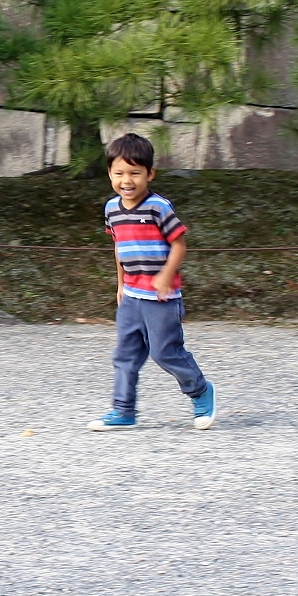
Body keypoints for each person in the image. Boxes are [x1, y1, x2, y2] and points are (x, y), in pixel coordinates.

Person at [89, 133, 217, 432]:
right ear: (109, 174)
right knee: (125, 354)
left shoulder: (158, 207)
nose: (127, 180)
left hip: (161, 297)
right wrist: (120, 284)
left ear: (150, 174)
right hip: (132, 296)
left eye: (135, 173)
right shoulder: (112, 209)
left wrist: (165, 277)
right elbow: (119, 247)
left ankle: (200, 391)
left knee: (165, 352)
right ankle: (123, 410)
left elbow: (179, 244)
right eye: (119, 173)